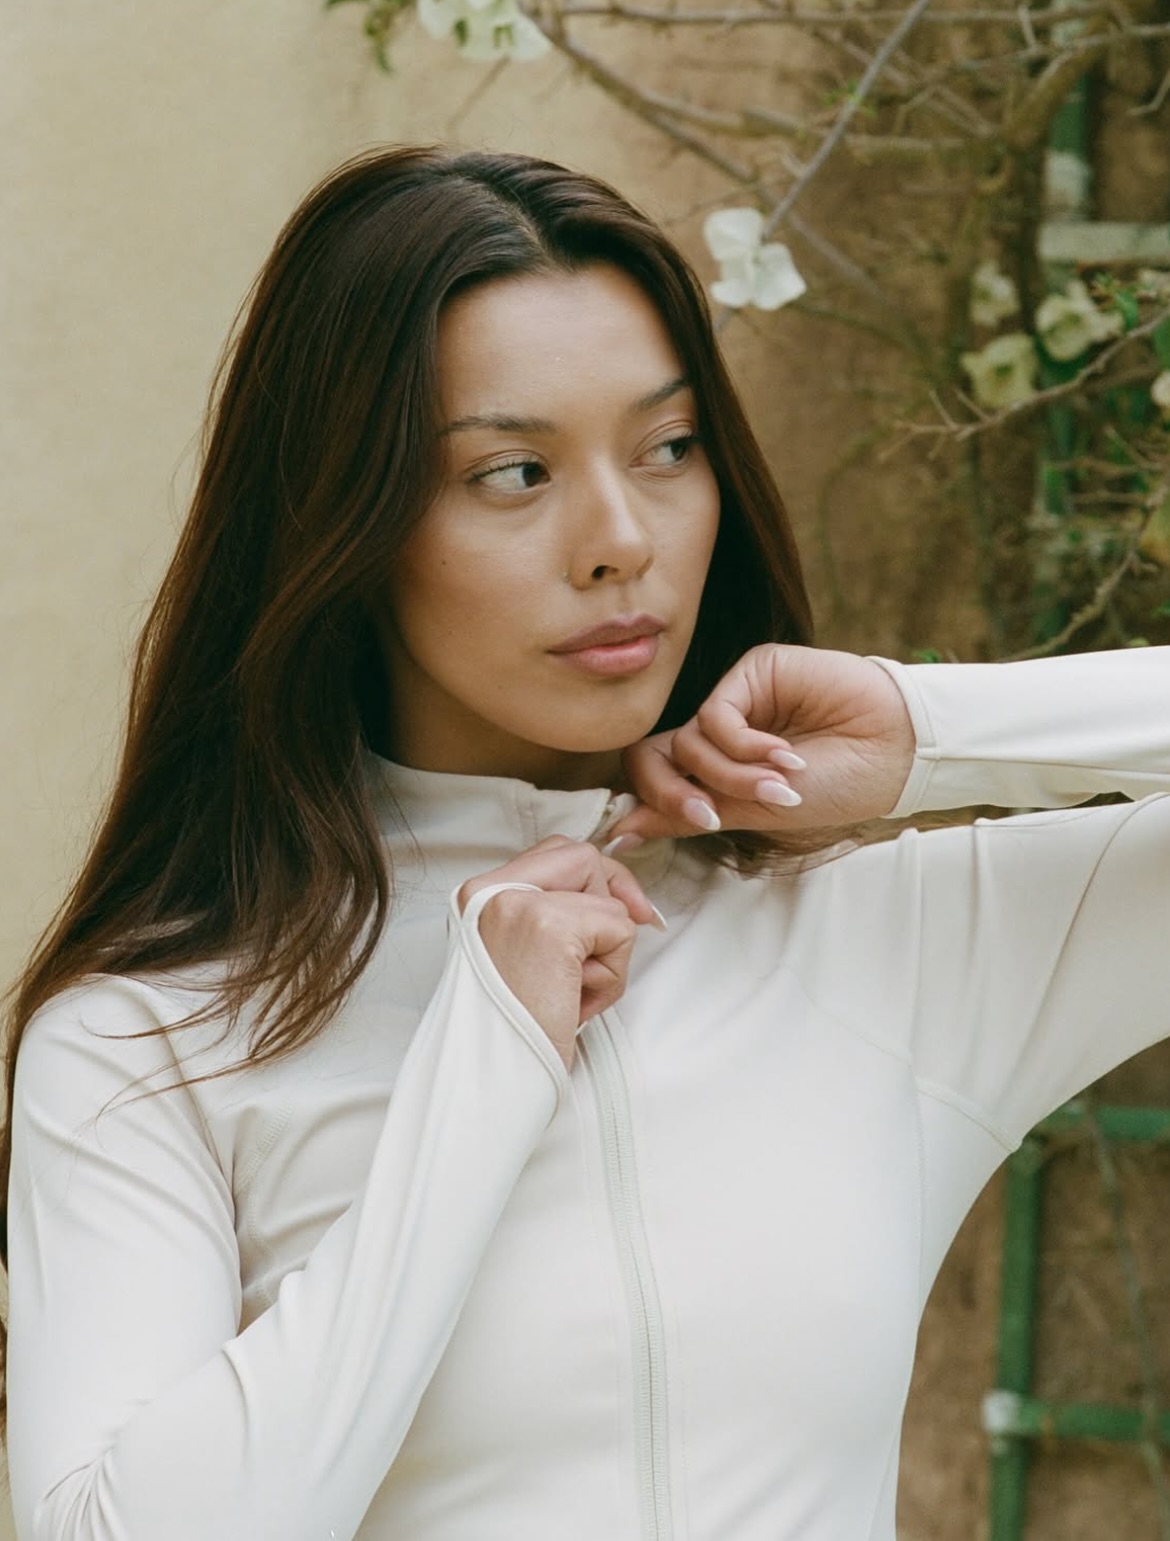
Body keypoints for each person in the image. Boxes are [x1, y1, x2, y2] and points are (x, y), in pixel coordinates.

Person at [2, 144, 1168, 1541]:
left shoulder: (884, 942)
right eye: (514, 472)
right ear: (345, 521)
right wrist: (479, 1071)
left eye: (668, 448)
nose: (622, 539)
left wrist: (930, 730)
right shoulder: (156, 1040)